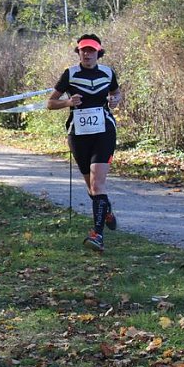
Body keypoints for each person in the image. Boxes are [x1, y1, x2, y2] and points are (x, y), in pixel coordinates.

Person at [46, 34, 123, 252]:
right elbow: (50, 103)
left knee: (98, 184)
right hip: (78, 134)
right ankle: (105, 210)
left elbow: (116, 94)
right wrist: (68, 102)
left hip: (104, 131)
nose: (87, 54)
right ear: (78, 52)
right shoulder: (70, 73)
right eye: (83, 51)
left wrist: (115, 100)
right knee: (92, 188)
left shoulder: (108, 73)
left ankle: (97, 235)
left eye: (91, 51)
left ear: (99, 52)